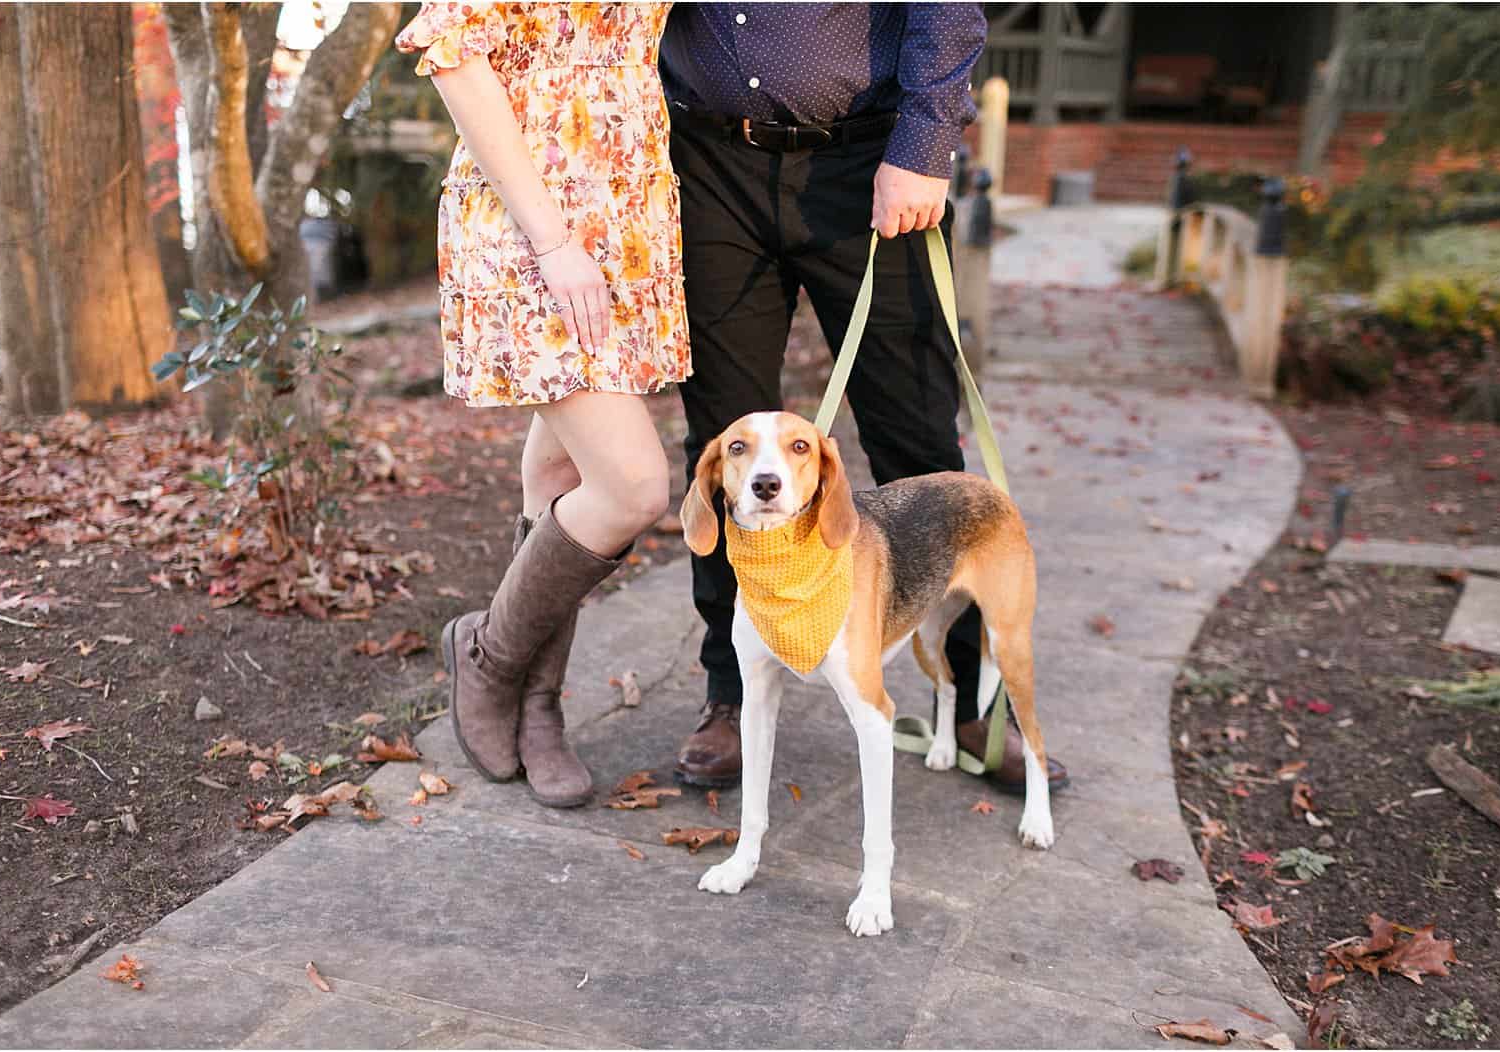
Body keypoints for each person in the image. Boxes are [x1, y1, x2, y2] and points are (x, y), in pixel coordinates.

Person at [659, 3, 1069, 795]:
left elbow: (946, 8)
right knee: (725, 446)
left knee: (915, 437)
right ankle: (732, 691)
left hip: (871, 160)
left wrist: (923, 146)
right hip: (707, 167)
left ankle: (975, 707)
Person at [397, 3, 690, 808]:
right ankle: (489, 657)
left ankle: (537, 705)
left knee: (562, 467)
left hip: (626, 216)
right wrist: (554, 242)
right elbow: (457, 58)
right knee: (632, 486)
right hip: (538, 220)